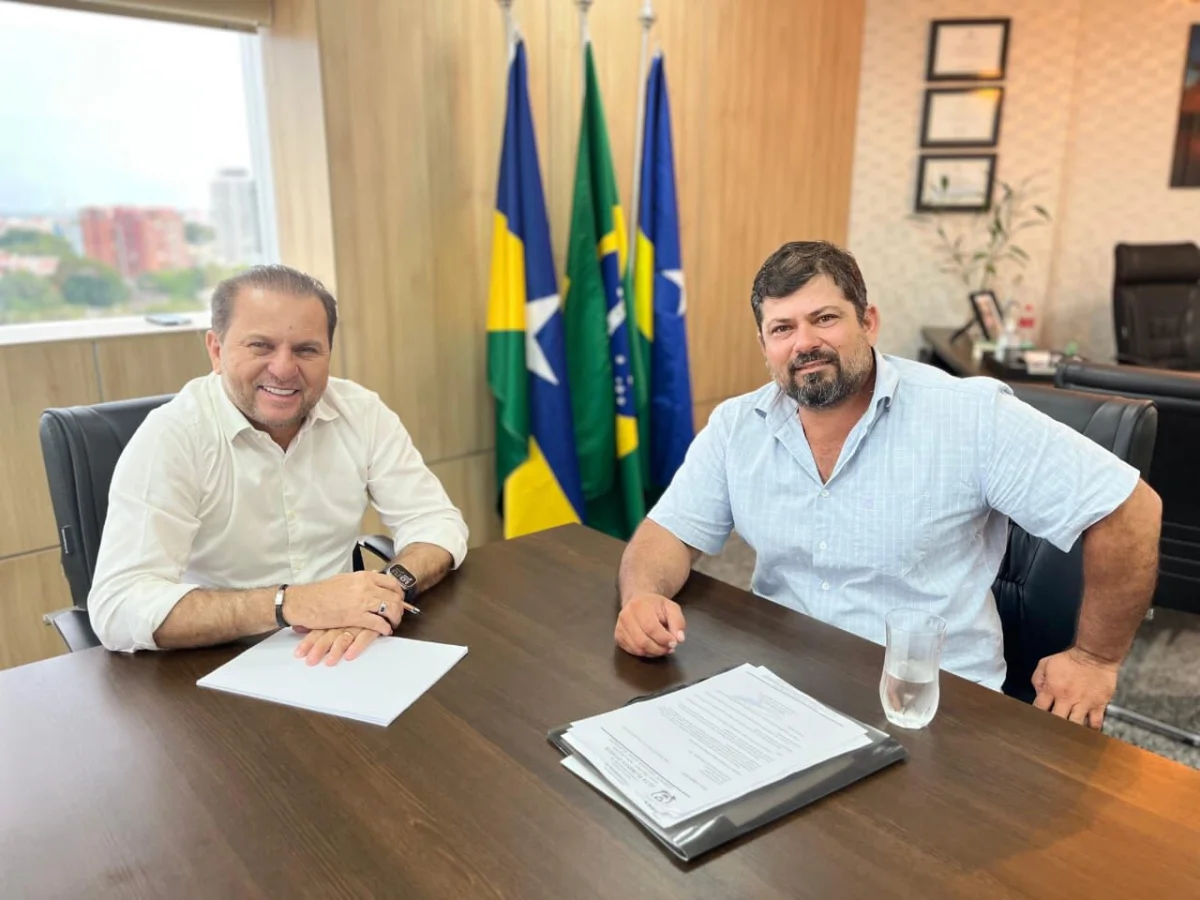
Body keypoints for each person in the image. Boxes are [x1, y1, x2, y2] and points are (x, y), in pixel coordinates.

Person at [614, 241, 1161, 730]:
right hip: (778, 688)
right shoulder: (737, 425)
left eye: (825, 318)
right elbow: (669, 532)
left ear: (868, 322)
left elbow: (1130, 508)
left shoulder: (968, 415)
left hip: (928, 708)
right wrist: (642, 596)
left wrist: (1095, 660)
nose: (805, 343)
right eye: (783, 329)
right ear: (764, 345)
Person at [89, 265, 468, 666]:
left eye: (306, 350)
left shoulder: (361, 412)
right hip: (212, 661)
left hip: (346, 650)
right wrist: (293, 604)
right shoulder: (173, 436)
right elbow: (118, 607)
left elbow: (436, 521)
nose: (284, 369)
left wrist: (388, 589)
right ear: (216, 350)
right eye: (260, 346)